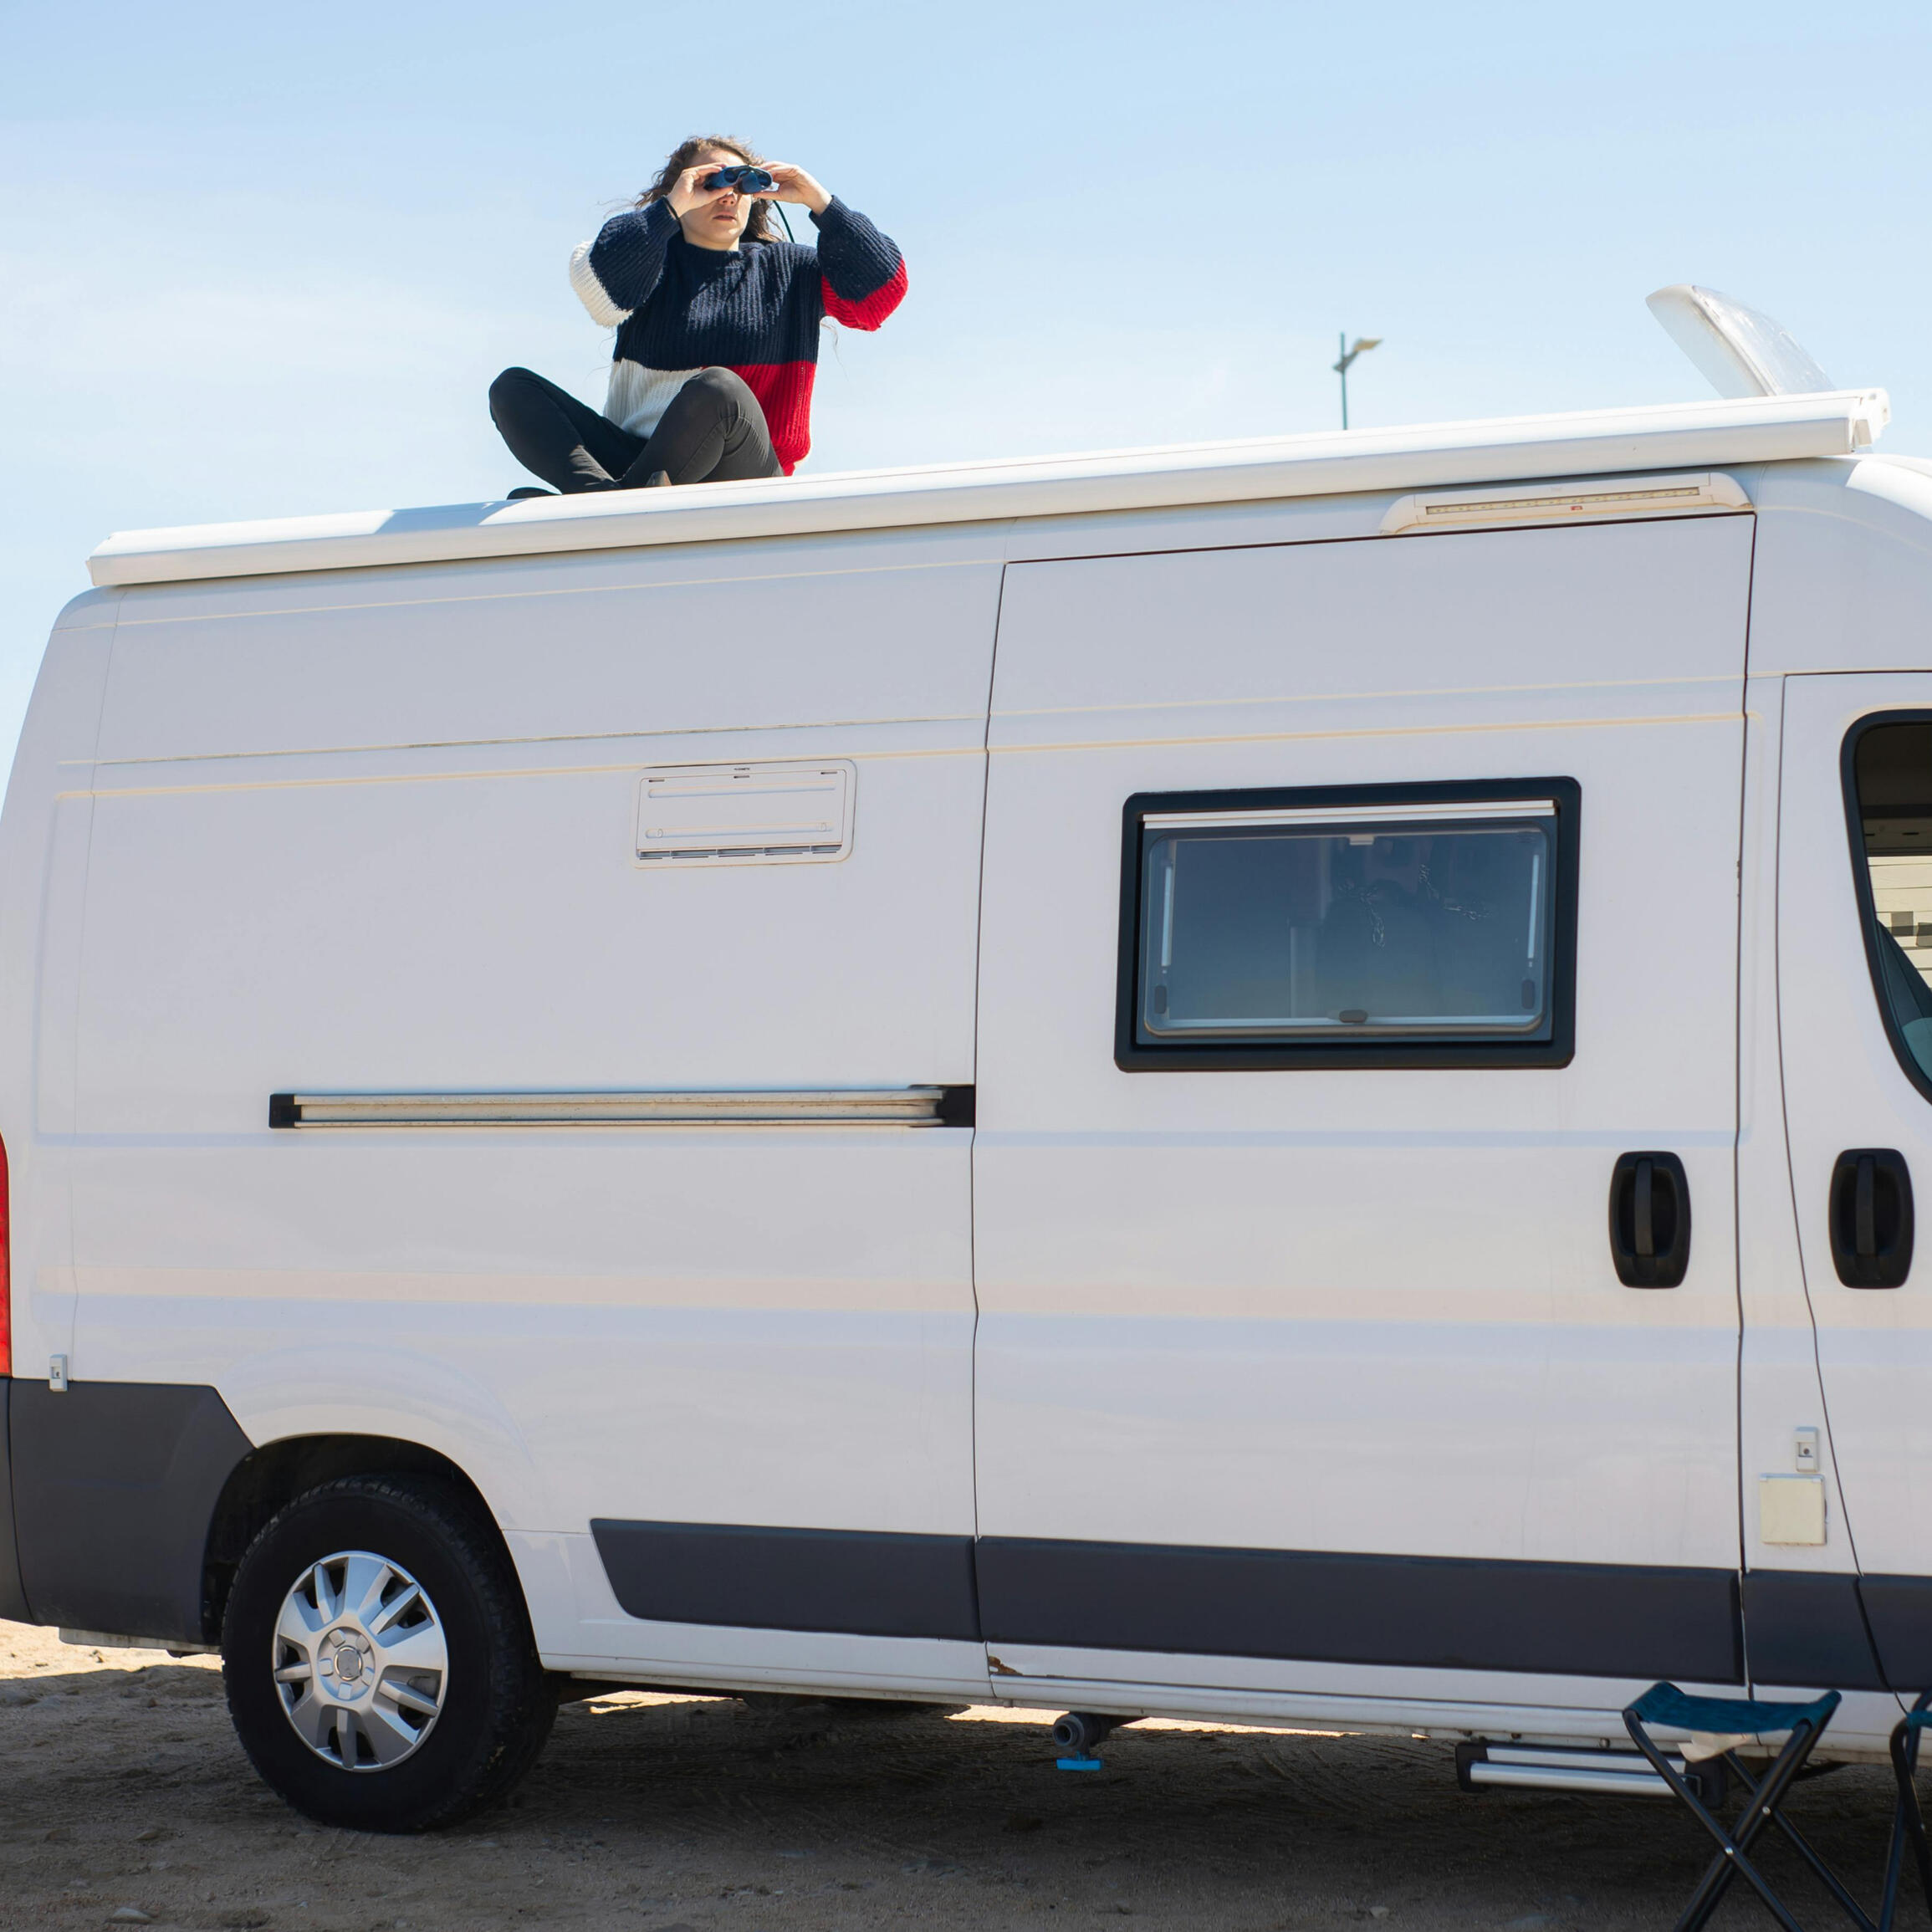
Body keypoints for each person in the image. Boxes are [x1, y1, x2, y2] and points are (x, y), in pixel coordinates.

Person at [489, 135, 907, 497]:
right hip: (641, 465)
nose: (728, 194)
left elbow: (881, 297)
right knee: (513, 388)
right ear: (682, 191)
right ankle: (605, 500)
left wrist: (822, 203)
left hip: (744, 473)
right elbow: (599, 291)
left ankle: (608, 509)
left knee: (719, 389)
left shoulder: (792, 269)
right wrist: (668, 210)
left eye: (742, 182)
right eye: (712, 181)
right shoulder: (647, 262)